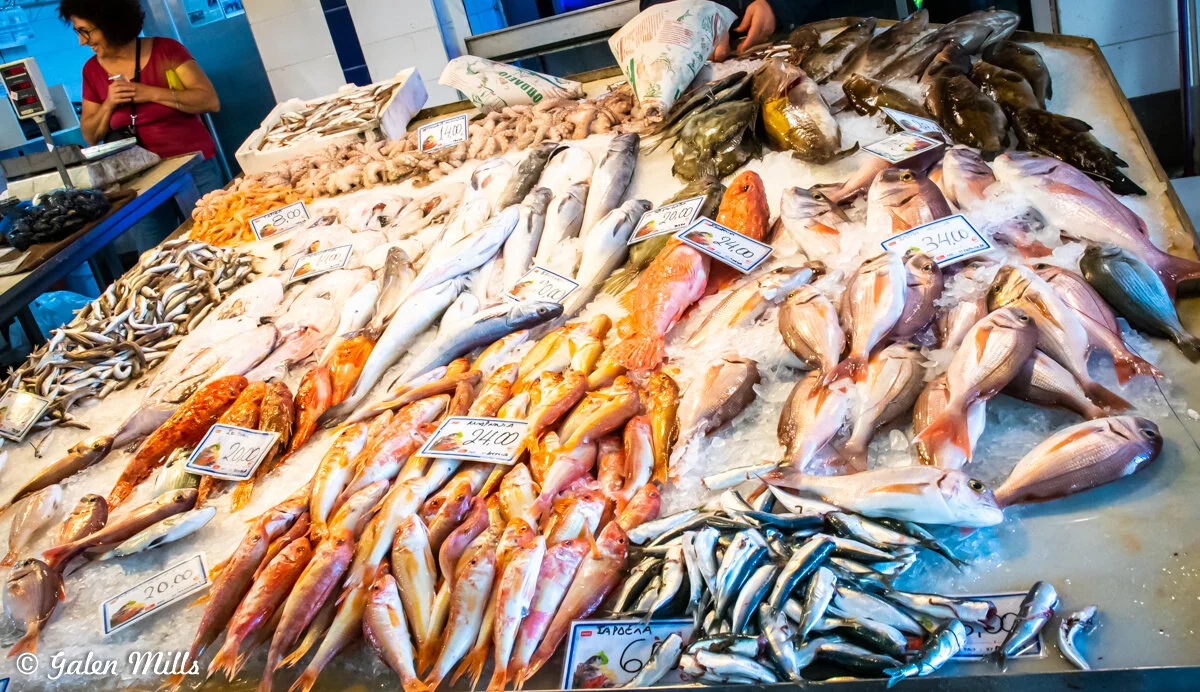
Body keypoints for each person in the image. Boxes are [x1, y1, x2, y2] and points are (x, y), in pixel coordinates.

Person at [59, 0, 224, 195]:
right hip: (135, 178)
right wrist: (109, 104)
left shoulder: (166, 50)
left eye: (85, 31)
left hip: (192, 166)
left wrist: (149, 92)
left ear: (110, 23)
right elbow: (90, 136)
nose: (82, 41)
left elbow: (209, 101)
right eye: (78, 32)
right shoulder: (91, 70)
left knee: (213, 221)